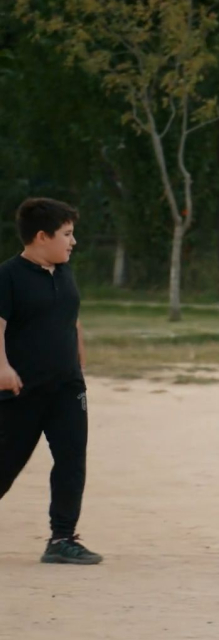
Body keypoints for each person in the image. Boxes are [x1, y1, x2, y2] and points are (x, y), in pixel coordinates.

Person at [0, 198, 101, 565]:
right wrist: (2, 367)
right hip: (22, 390)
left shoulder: (64, 272)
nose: (73, 242)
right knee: (5, 465)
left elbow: (71, 318)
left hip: (67, 388)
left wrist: (80, 361)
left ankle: (62, 539)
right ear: (41, 237)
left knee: (71, 460)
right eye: (67, 234)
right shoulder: (9, 275)